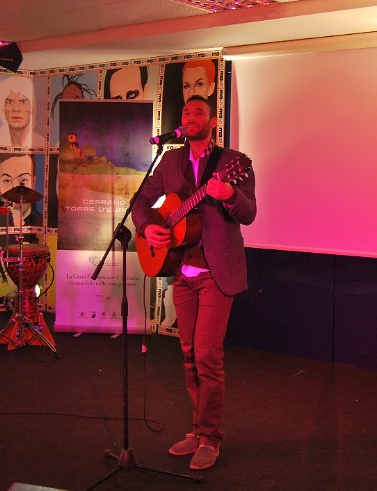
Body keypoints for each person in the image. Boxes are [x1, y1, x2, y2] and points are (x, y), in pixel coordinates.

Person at [131, 95, 256, 471]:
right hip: (181, 271)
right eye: (186, 112)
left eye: (199, 112)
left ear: (213, 122)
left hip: (216, 274)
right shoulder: (170, 161)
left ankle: (211, 438)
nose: (190, 116)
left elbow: (249, 212)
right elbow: (141, 201)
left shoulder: (234, 162)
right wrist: (148, 227)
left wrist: (229, 194)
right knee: (188, 354)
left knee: (207, 355)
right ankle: (197, 430)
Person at [0, 153, 42, 245]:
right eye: (7, 180)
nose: (15, 190)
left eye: (23, 180)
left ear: (33, 182)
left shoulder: (41, 221)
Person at [0, 76, 45, 147]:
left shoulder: (42, 142)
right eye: (10, 102)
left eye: (23, 102)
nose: (16, 109)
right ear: (3, 108)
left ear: (32, 108)